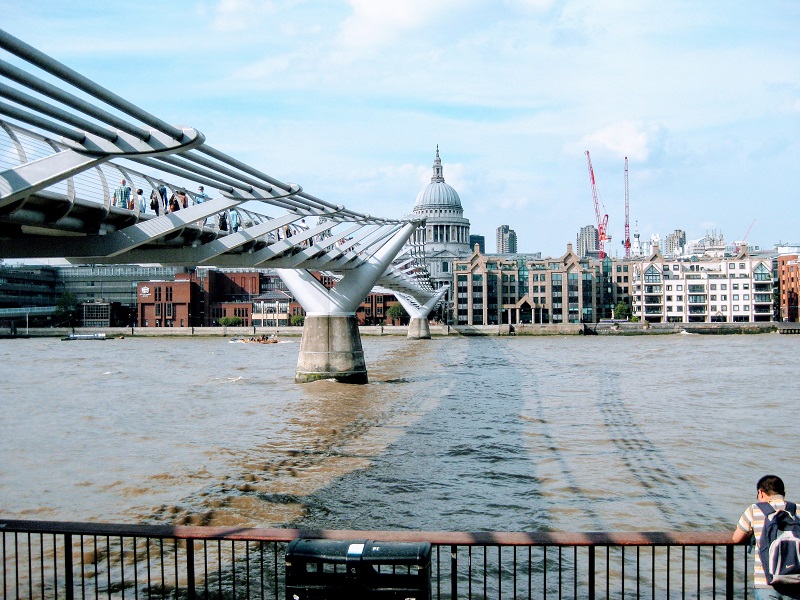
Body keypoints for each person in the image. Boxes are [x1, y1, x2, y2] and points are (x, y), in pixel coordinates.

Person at [733, 475, 800, 599]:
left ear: (761, 492)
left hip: (765, 581)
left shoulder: (754, 510)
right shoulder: (796, 510)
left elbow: (736, 538)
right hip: (795, 580)